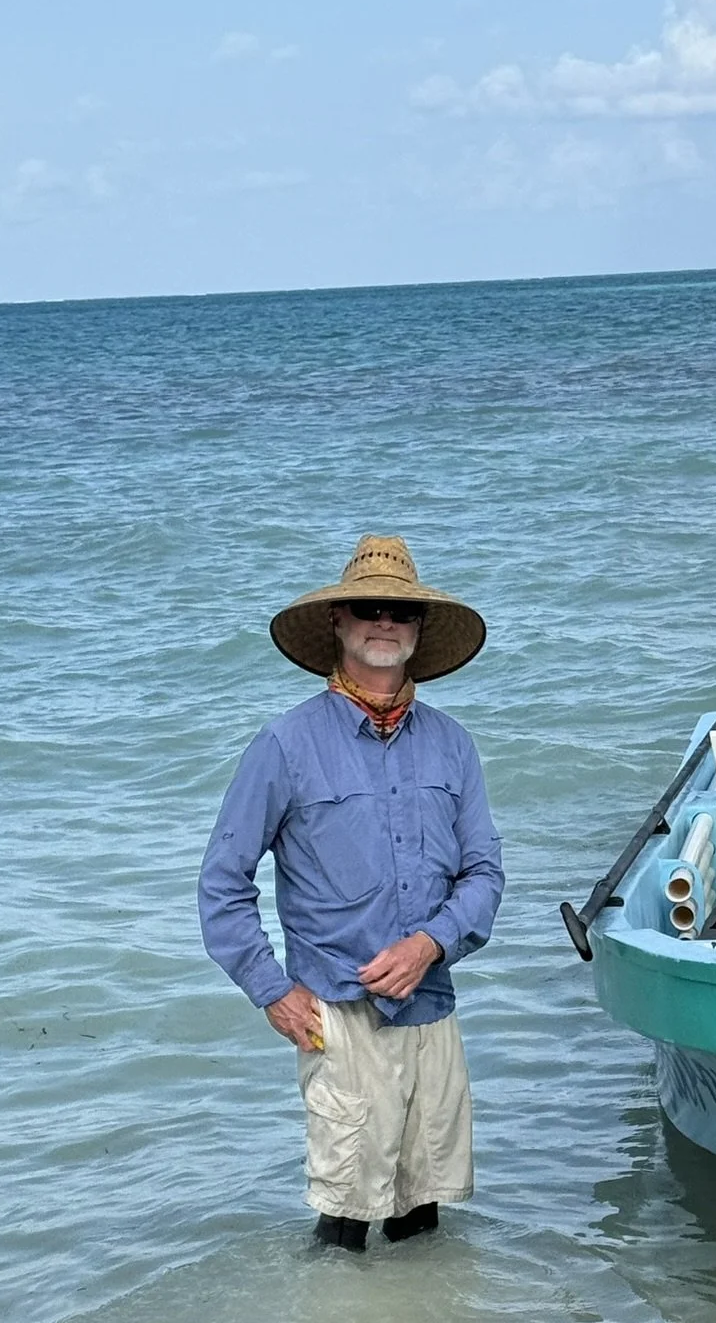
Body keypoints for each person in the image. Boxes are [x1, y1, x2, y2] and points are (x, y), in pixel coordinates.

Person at [198, 534, 504, 1250]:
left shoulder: (453, 744)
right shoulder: (283, 745)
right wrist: (272, 990)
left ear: (420, 629)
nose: (384, 622)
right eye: (367, 608)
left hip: (431, 1006)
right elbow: (221, 884)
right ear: (337, 621)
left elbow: (485, 874)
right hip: (336, 1014)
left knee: (424, 1218)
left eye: (401, 611)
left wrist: (431, 943)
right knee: (344, 1226)